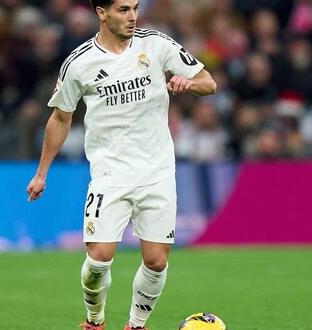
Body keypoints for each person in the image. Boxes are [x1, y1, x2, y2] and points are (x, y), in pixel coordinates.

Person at [25, 1, 216, 329]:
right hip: (110, 172)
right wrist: (42, 173)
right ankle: (95, 320)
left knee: (156, 262)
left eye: (136, 8)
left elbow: (208, 82)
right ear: (102, 12)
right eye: (124, 9)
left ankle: (136, 325)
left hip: (157, 171)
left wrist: (189, 84)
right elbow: (60, 118)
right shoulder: (80, 63)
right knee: (98, 257)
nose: (132, 16)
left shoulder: (156, 44)